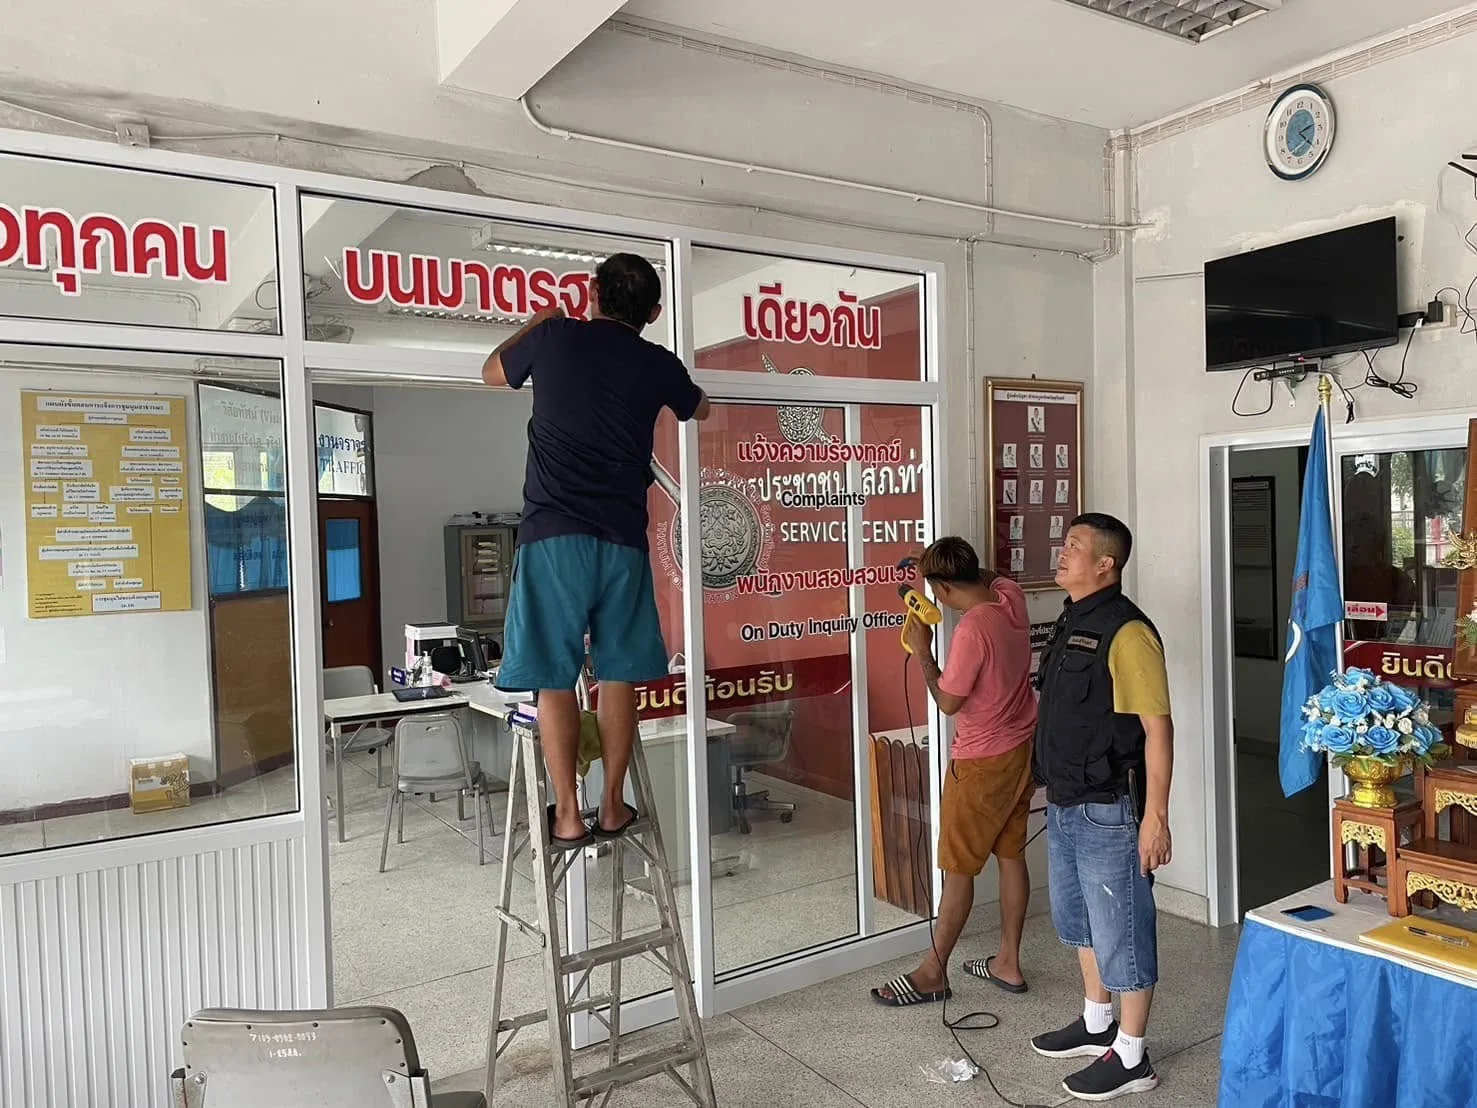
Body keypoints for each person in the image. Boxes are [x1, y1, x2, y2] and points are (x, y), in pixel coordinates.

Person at [482, 253, 711, 849]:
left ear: (591, 292)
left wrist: (537, 322)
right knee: (619, 675)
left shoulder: (555, 338)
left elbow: (490, 373)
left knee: (554, 680)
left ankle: (566, 815)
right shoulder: (656, 362)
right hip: (622, 543)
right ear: (654, 313)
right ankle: (612, 805)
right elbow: (700, 407)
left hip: (554, 539)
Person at [1030, 513, 1173, 1102]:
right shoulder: (1072, 618)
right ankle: (1097, 1022)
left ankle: (1133, 1056)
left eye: (1074, 546)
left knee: (1123, 931)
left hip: (1110, 807)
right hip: (1066, 801)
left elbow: (1158, 730)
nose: (1061, 553)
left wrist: (1156, 817)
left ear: (1105, 563)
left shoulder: (1127, 632)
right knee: (1081, 922)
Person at [870, 536, 1037, 1007]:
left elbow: (947, 700)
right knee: (1010, 855)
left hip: (982, 763)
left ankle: (933, 972)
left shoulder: (972, 631)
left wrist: (923, 650)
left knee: (958, 869)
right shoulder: (1011, 599)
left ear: (942, 588)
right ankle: (1008, 961)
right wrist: (934, 563)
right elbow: (989, 577)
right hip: (1021, 750)